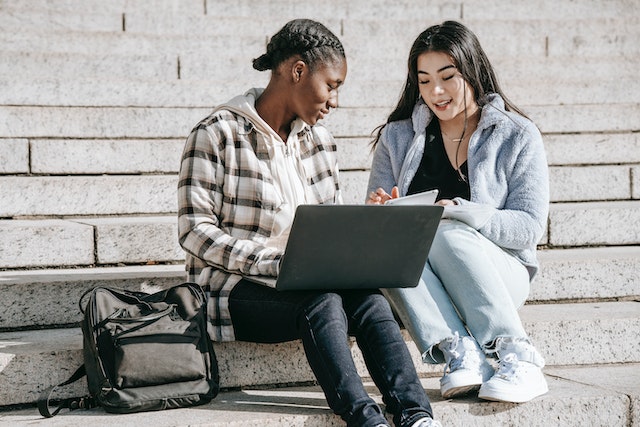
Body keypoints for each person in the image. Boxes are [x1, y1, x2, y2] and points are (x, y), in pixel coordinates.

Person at [178, 19, 441, 427]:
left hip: (310, 278)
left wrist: (368, 225)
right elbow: (194, 231)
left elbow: (327, 223)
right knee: (322, 302)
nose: (334, 100)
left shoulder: (321, 142)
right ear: (298, 71)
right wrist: (273, 263)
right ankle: (365, 419)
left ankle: (416, 415)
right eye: (331, 85)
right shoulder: (217, 135)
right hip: (231, 290)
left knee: (371, 300)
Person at [366, 21, 549, 404]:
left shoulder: (516, 134)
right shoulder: (397, 137)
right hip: (426, 281)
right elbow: (376, 216)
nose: (436, 91)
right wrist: (382, 212)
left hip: (499, 274)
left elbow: (528, 228)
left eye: (448, 77)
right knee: (389, 240)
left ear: (473, 71)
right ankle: (459, 352)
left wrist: (461, 213)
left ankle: (518, 354)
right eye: (424, 80)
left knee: (445, 229)